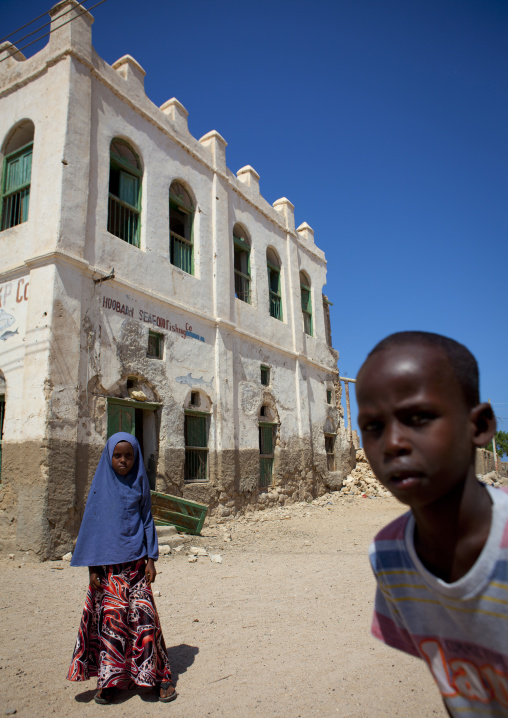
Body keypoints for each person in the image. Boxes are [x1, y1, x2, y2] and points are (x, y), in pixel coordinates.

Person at [355, 331, 508, 717]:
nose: (392, 443)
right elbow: (456, 686)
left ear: (480, 426)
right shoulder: (389, 555)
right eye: (372, 427)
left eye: (419, 418)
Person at [67, 432, 177, 705]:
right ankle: (110, 681)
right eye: (118, 455)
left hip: (137, 564)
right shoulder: (100, 487)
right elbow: (93, 528)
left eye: (129, 455)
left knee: (145, 619)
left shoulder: (140, 483)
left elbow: (147, 519)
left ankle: (158, 678)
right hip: (109, 570)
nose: (124, 460)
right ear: (109, 457)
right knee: (112, 623)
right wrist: (92, 569)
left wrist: (152, 558)